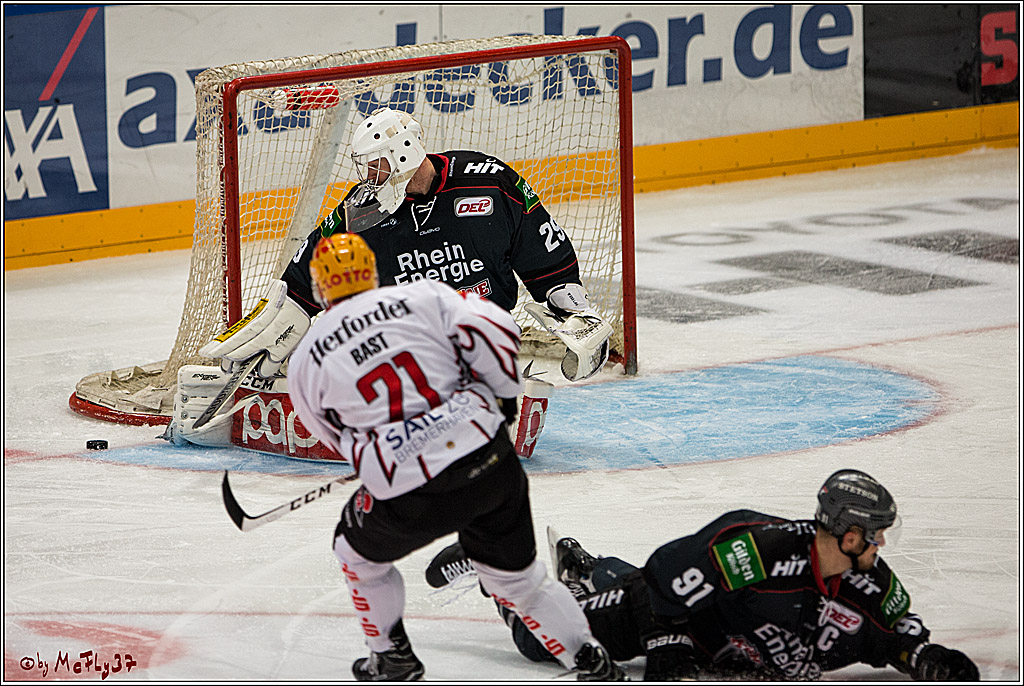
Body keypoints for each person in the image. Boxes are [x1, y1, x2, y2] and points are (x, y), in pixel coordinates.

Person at [284, 232, 624, 681]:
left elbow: (330, 434)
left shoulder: (307, 355)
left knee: (357, 555)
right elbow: (498, 329)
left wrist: (372, 455)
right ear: (371, 270)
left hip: (410, 492)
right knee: (521, 582)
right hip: (489, 463)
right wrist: (502, 393)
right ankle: (591, 661)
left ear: (319, 286)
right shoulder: (421, 296)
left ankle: (391, 657)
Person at [186, 106, 614, 457]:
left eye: (377, 165)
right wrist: (289, 307)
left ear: (405, 152)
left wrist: (573, 309)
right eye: (366, 168)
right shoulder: (361, 210)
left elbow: (546, 257)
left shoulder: (489, 181)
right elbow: (306, 272)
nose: (369, 177)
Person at [424, 469, 981, 681]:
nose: (882, 544)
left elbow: (895, 632)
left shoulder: (868, 585)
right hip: (658, 610)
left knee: (619, 580)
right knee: (536, 641)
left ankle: (587, 568)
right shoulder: (760, 549)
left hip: (715, 639)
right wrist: (668, 644)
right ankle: (492, 566)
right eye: (875, 532)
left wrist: (924, 659)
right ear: (849, 534)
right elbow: (668, 571)